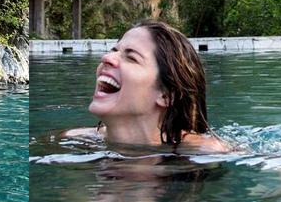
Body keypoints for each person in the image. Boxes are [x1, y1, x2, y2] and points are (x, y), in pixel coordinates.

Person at [63, 19, 229, 154]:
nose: (106, 57)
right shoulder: (72, 139)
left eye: (132, 58)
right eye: (114, 50)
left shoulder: (205, 151)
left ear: (166, 95)